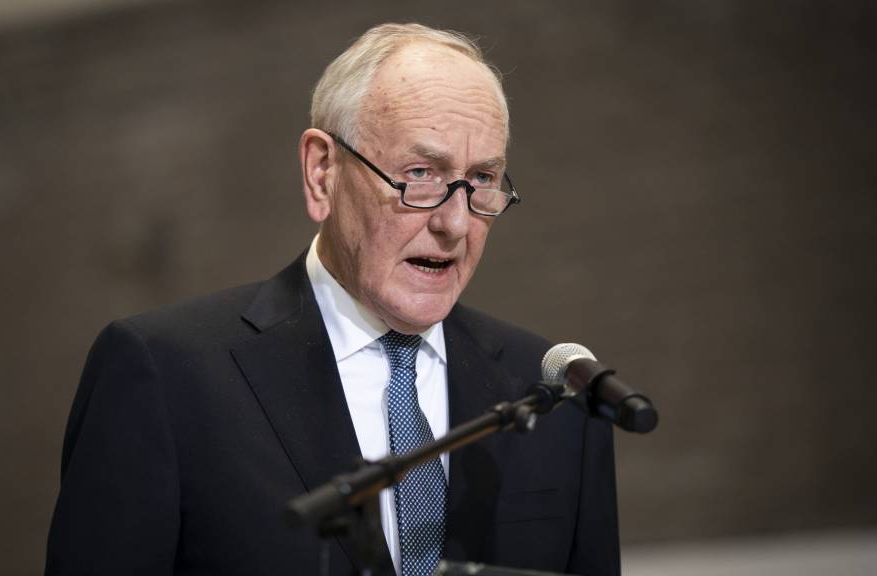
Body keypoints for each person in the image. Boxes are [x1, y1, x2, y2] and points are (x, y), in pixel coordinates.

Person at [46, 23, 619, 576]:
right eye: (420, 173)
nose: (455, 223)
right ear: (322, 172)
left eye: (483, 180)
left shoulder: (556, 394)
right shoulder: (166, 373)